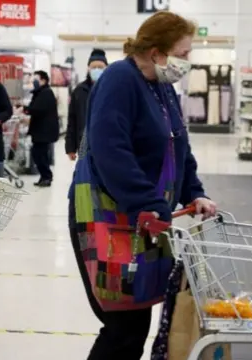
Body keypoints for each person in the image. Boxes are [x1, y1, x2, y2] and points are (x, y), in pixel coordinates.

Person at [68, 11, 218, 360]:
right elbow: (111, 150)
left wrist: (194, 192)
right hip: (107, 215)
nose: (187, 62)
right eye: (183, 54)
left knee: (134, 323)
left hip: (144, 218)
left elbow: (178, 146)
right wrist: (145, 201)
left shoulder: (162, 88)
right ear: (156, 53)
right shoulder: (120, 79)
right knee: (123, 328)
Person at [65, 49, 108, 160]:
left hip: (108, 143)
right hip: (84, 142)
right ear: (88, 69)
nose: (97, 70)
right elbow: (72, 120)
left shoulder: (112, 89)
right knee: (85, 174)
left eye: (100, 67)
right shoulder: (79, 91)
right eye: (93, 67)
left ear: (106, 69)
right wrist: (70, 147)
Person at [27, 70, 59, 187]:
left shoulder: (45, 93)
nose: (33, 82)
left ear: (43, 80)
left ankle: (47, 177)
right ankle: (44, 177)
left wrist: (25, 109)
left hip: (44, 131)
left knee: (40, 154)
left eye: (36, 79)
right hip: (40, 130)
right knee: (39, 154)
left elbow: (38, 109)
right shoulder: (40, 92)